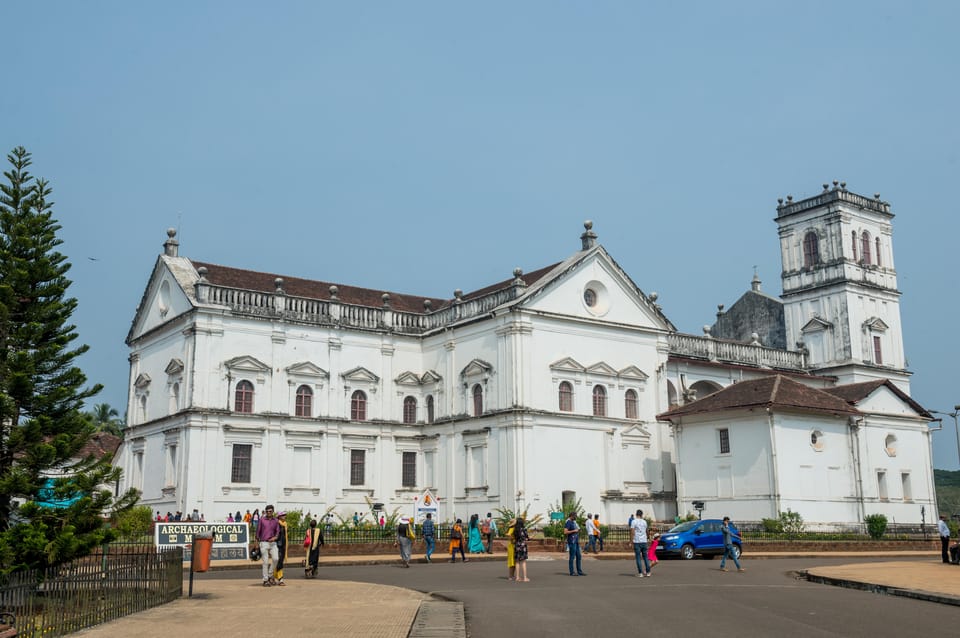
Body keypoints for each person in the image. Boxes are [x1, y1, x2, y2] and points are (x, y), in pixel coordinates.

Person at [255, 505, 280, 586]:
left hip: (273, 543)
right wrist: (256, 544)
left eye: (270, 511)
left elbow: (277, 532)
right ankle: (265, 580)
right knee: (265, 562)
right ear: (265, 512)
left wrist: (275, 537)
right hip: (264, 542)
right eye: (267, 511)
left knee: (276, 559)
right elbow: (257, 532)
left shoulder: (276, 520)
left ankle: (270, 575)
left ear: (273, 512)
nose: (269, 512)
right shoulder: (262, 520)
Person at [564, 511, 586, 576]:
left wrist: (578, 530)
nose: (576, 517)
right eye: (575, 516)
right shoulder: (568, 522)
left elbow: (577, 529)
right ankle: (572, 572)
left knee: (579, 556)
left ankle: (579, 571)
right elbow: (565, 532)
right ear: (571, 516)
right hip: (571, 541)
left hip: (576, 541)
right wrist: (574, 531)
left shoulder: (574, 522)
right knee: (572, 557)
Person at [631, 509, 651, 577]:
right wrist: (648, 537)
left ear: (636, 514)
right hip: (644, 541)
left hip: (637, 541)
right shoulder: (644, 522)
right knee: (645, 557)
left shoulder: (634, 521)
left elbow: (632, 531)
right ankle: (648, 572)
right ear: (642, 515)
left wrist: (631, 541)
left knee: (638, 557)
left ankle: (640, 573)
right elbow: (647, 531)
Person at [274, 511, 289, 585]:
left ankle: (273, 577)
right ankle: (280, 579)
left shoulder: (285, 524)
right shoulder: (277, 524)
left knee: (279, 562)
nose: (284, 516)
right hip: (278, 545)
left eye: (285, 515)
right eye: (283, 515)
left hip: (283, 545)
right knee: (279, 562)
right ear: (279, 517)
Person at [513, 517, 530, 582]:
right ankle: (525, 577)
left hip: (517, 546)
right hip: (523, 546)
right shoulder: (524, 529)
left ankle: (517, 577)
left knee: (517, 562)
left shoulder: (515, 530)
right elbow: (527, 538)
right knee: (523, 562)